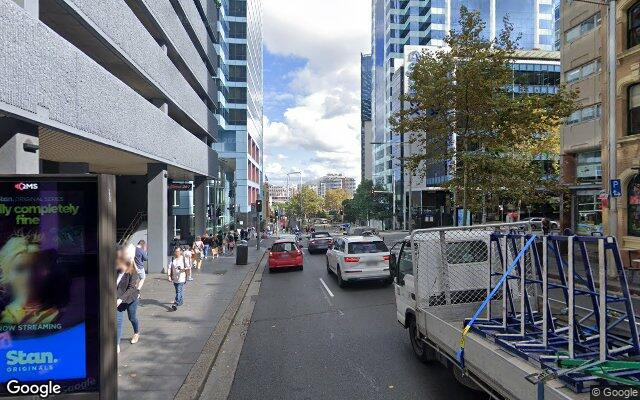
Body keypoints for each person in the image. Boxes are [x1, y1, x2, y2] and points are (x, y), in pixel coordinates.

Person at [116, 245, 140, 353]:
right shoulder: (116, 269)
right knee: (118, 321)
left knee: (132, 318)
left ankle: (136, 332)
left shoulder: (132, 270)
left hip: (131, 298)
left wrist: (121, 299)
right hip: (118, 299)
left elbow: (131, 288)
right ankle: (116, 344)